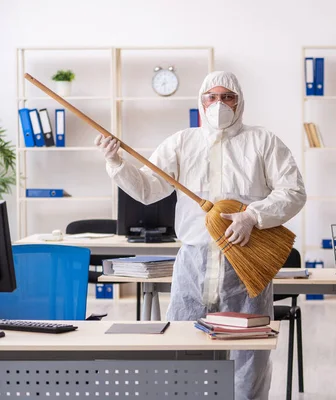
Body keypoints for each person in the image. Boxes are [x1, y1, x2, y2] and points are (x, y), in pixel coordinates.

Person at [94, 71, 306, 399]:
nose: (218, 104)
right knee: (183, 363)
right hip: (193, 265)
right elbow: (149, 189)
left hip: (246, 265)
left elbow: (294, 191)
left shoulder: (263, 141)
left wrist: (253, 216)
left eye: (227, 97)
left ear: (240, 102)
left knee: (247, 368)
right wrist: (116, 162)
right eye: (212, 97)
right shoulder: (182, 142)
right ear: (200, 101)